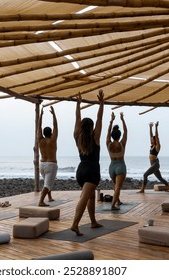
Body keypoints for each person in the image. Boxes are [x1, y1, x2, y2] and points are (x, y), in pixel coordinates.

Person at [70, 90, 104, 236]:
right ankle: (75, 224)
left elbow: (77, 119)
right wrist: (101, 103)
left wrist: (78, 105)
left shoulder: (77, 137)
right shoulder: (95, 137)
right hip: (92, 172)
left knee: (90, 196)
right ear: (91, 128)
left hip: (80, 171)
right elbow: (99, 118)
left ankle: (93, 221)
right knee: (85, 197)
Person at [138, 121, 169, 193]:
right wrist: (150, 128)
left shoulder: (157, 147)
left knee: (145, 175)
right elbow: (151, 136)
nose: (151, 140)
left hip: (155, 164)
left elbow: (156, 137)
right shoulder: (152, 146)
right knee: (160, 178)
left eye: (153, 139)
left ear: (155, 140)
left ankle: (142, 190)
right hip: (154, 164)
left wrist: (156, 127)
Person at [37, 106, 58, 206]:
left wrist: (41, 115)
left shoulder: (40, 140)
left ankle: (49, 197)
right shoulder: (52, 140)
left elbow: (38, 127)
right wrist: (54, 114)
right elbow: (56, 127)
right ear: (51, 133)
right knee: (48, 184)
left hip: (42, 165)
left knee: (47, 182)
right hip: (51, 164)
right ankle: (41, 201)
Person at [106, 111, 127, 210]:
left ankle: (117, 201)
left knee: (115, 185)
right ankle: (113, 205)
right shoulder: (122, 143)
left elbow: (107, 133)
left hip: (111, 167)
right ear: (119, 135)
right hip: (120, 166)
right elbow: (126, 132)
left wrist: (111, 121)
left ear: (111, 135)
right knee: (118, 187)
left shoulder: (108, 143)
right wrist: (122, 119)